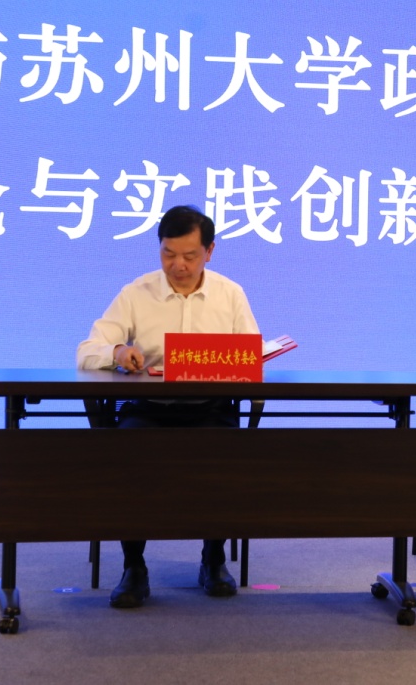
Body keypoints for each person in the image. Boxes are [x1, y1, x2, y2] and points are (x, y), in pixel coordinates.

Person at [77, 205, 260, 609]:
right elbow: (87, 351)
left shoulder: (230, 294)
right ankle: (133, 567)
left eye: (190, 255)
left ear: (209, 251)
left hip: (211, 409)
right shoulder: (136, 293)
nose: (178, 265)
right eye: (168, 253)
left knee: (226, 462)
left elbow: (250, 357)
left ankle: (213, 560)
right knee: (128, 462)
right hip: (149, 409)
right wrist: (117, 351)